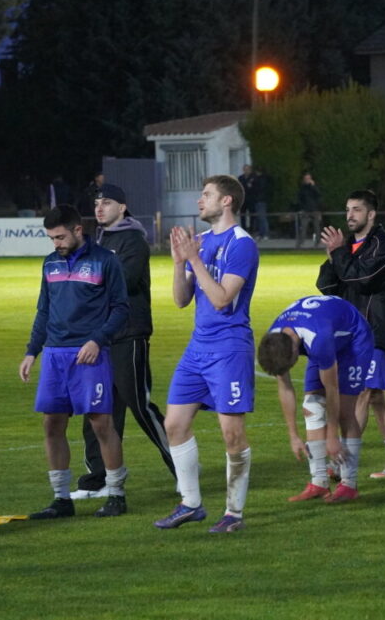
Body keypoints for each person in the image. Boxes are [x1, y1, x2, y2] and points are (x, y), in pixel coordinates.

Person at [153, 175, 259, 533]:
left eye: (207, 195)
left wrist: (194, 260)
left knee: (232, 435)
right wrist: (177, 262)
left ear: (227, 201)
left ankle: (234, 513)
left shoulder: (241, 244)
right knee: (174, 425)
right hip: (198, 347)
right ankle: (190, 503)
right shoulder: (200, 242)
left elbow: (221, 299)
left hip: (230, 349)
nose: (200, 201)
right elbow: (182, 300)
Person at [18, 205, 130, 519]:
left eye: (60, 236)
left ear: (77, 230)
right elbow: (43, 310)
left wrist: (98, 340)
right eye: (51, 238)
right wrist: (32, 351)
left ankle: (117, 494)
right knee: (52, 424)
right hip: (55, 355)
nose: (56, 243)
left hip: (89, 354)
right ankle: (61, 499)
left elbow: (121, 308)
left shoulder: (105, 261)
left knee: (100, 424)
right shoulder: (50, 263)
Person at [70, 184, 175, 500]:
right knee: (98, 411)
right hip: (99, 338)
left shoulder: (133, 240)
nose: (100, 207)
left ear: (123, 207)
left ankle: (182, 468)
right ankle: (98, 479)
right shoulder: (97, 241)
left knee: (140, 405)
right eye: (97, 202)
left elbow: (122, 282)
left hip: (129, 333)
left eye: (108, 202)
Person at [316, 190, 385, 478]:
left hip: (377, 330)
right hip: (352, 334)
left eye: (356, 209)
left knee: (362, 394)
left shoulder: (384, 246)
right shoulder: (348, 247)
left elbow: (363, 279)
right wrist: (333, 256)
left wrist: (340, 253)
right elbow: (327, 286)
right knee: (376, 397)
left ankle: (342, 462)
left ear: (371, 214)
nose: (350, 215)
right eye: (347, 210)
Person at [258, 295, 374, 503]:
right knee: (311, 406)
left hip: (353, 339)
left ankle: (349, 484)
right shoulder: (274, 341)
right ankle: (319, 482)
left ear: (295, 350)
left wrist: (332, 436)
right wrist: (293, 434)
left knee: (346, 413)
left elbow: (332, 389)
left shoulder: (318, 340)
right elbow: (285, 387)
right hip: (325, 331)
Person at [295, 172, 322, 249]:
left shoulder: (314, 187)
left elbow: (318, 195)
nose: (307, 180)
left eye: (308, 178)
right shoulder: (302, 188)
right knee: (303, 226)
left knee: (317, 227)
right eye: (306, 179)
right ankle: (301, 243)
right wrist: (301, 209)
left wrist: (313, 186)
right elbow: (300, 199)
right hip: (305, 210)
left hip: (314, 209)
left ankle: (318, 242)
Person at [252, 166, 270, 240]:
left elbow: (258, 189)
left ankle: (265, 233)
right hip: (260, 200)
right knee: (260, 218)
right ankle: (262, 233)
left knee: (262, 217)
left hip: (260, 200)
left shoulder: (260, 180)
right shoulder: (262, 179)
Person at [238, 164, 257, 233]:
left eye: (248, 169)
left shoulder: (254, 177)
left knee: (252, 214)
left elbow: (256, 188)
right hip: (243, 199)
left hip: (251, 199)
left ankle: (252, 229)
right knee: (242, 214)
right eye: (245, 169)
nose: (246, 171)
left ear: (250, 170)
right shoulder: (241, 178)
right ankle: (243, 229)